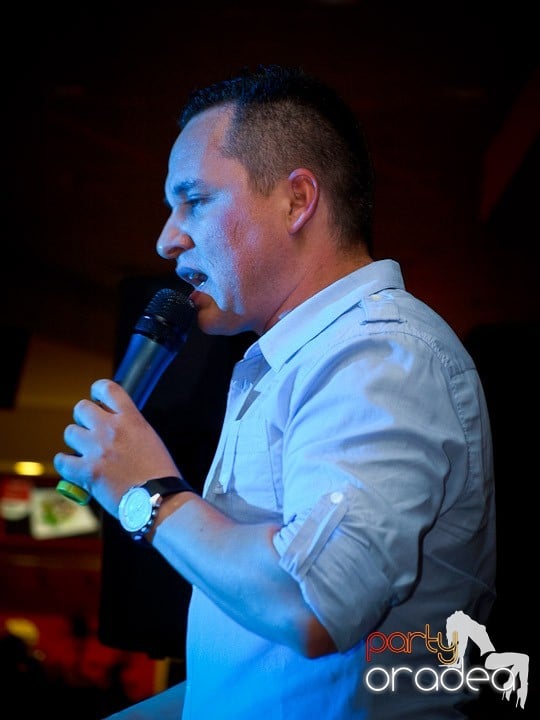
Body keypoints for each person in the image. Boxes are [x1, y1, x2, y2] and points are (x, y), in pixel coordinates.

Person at [53, 64, 496, 719]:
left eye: (193, 200)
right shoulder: (292, 363)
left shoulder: (379, 355)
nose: (166, 239)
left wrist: (148, 494)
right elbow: (261, 679)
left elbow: (312, 604)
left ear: (297, 200)